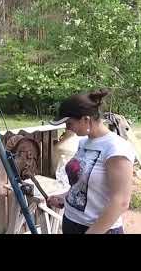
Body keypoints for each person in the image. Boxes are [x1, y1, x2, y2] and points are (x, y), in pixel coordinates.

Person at [47, 89, 136, 234]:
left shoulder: (116, 148)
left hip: (99, 229)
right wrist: (64, 197)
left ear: (86, 119)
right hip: (71, 222)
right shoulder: (84, 142)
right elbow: (83, 183)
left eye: (69, 124)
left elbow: (121, 201)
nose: (67, 129)